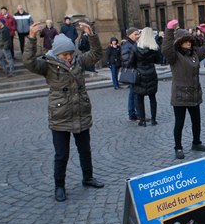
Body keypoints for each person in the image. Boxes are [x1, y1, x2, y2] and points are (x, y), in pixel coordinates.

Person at [23, 21, 104, 202]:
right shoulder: (47, 65)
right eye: (65, 54)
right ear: (57, 53)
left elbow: (97, 54)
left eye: (70, 53)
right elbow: (28, 63)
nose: (68, 57)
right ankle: (59, 186)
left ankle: (88, 177)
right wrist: (31, 38)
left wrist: (91, 34)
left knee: (85, 150)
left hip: (80, 112)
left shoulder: (79, 61)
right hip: (60, 116)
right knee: (61, 154)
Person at [162, 20, 205, 159]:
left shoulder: (195, 54)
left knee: (196, 121)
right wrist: (169, 31)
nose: (189, 43)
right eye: (185, 41)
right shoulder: (175, 57)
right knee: (180, 123)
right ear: (179, 42)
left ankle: (196, 143)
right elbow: (166, 48)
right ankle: (178, 147)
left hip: (194, 95)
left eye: (190, 41)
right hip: (180, 96)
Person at [133, 27, 161, 126]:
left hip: (140, 75)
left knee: (140, 99)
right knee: (152, 98)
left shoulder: (136, 48)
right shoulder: (155, 48)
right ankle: (153, 120)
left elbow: (132, 62)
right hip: (151, 74)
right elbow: (158, 60)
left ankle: (142, 120)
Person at [121, 27, 141, 120]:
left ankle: (133, 114)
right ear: (129, 35)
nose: (138, 36)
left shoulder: (133, 44)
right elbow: (126, 61)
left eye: (138, 34)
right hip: (133, 72)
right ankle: (138, 114)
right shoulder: (127, 45)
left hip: (135, 71)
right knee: (135, 94)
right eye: (135, 34)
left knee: (133, 93)